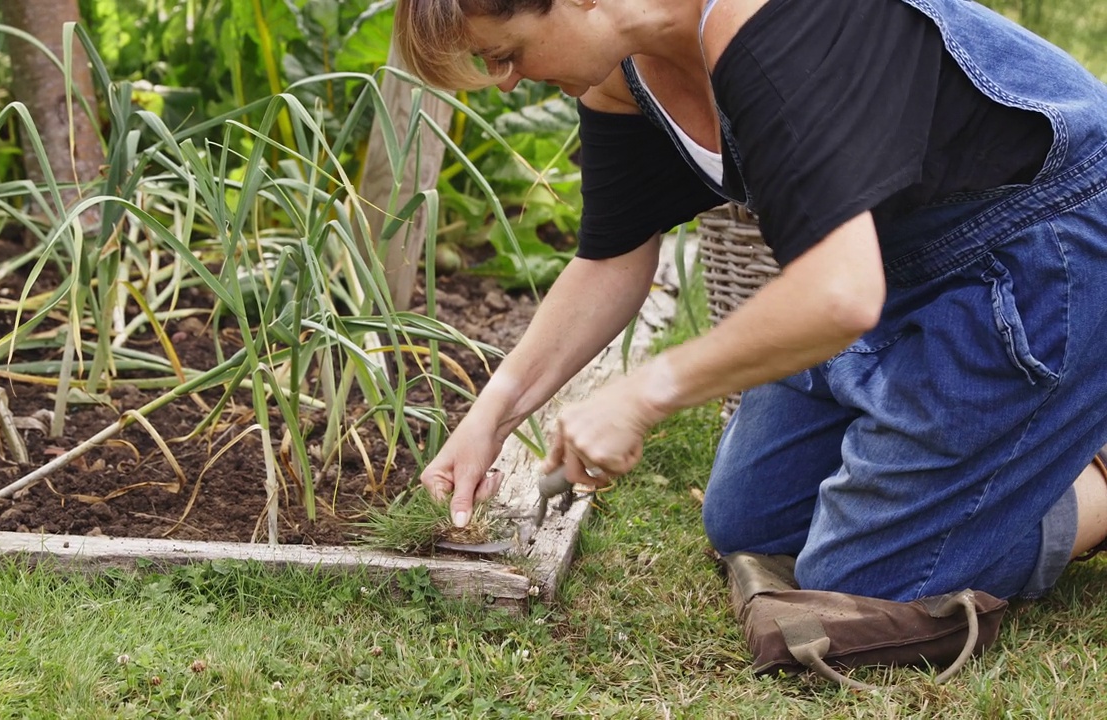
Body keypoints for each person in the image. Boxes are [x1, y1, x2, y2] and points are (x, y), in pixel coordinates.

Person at [395, 0, 1107, 603]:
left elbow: (839, 293)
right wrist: (492, 416)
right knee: (751, 523)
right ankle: (1022, 441)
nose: (508, 83)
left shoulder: (768, 23)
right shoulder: (622, 73)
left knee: (865, 581)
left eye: (506, 54)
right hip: (900, 267)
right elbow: (610, 258)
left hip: (1047, 241)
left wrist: (643, 393)